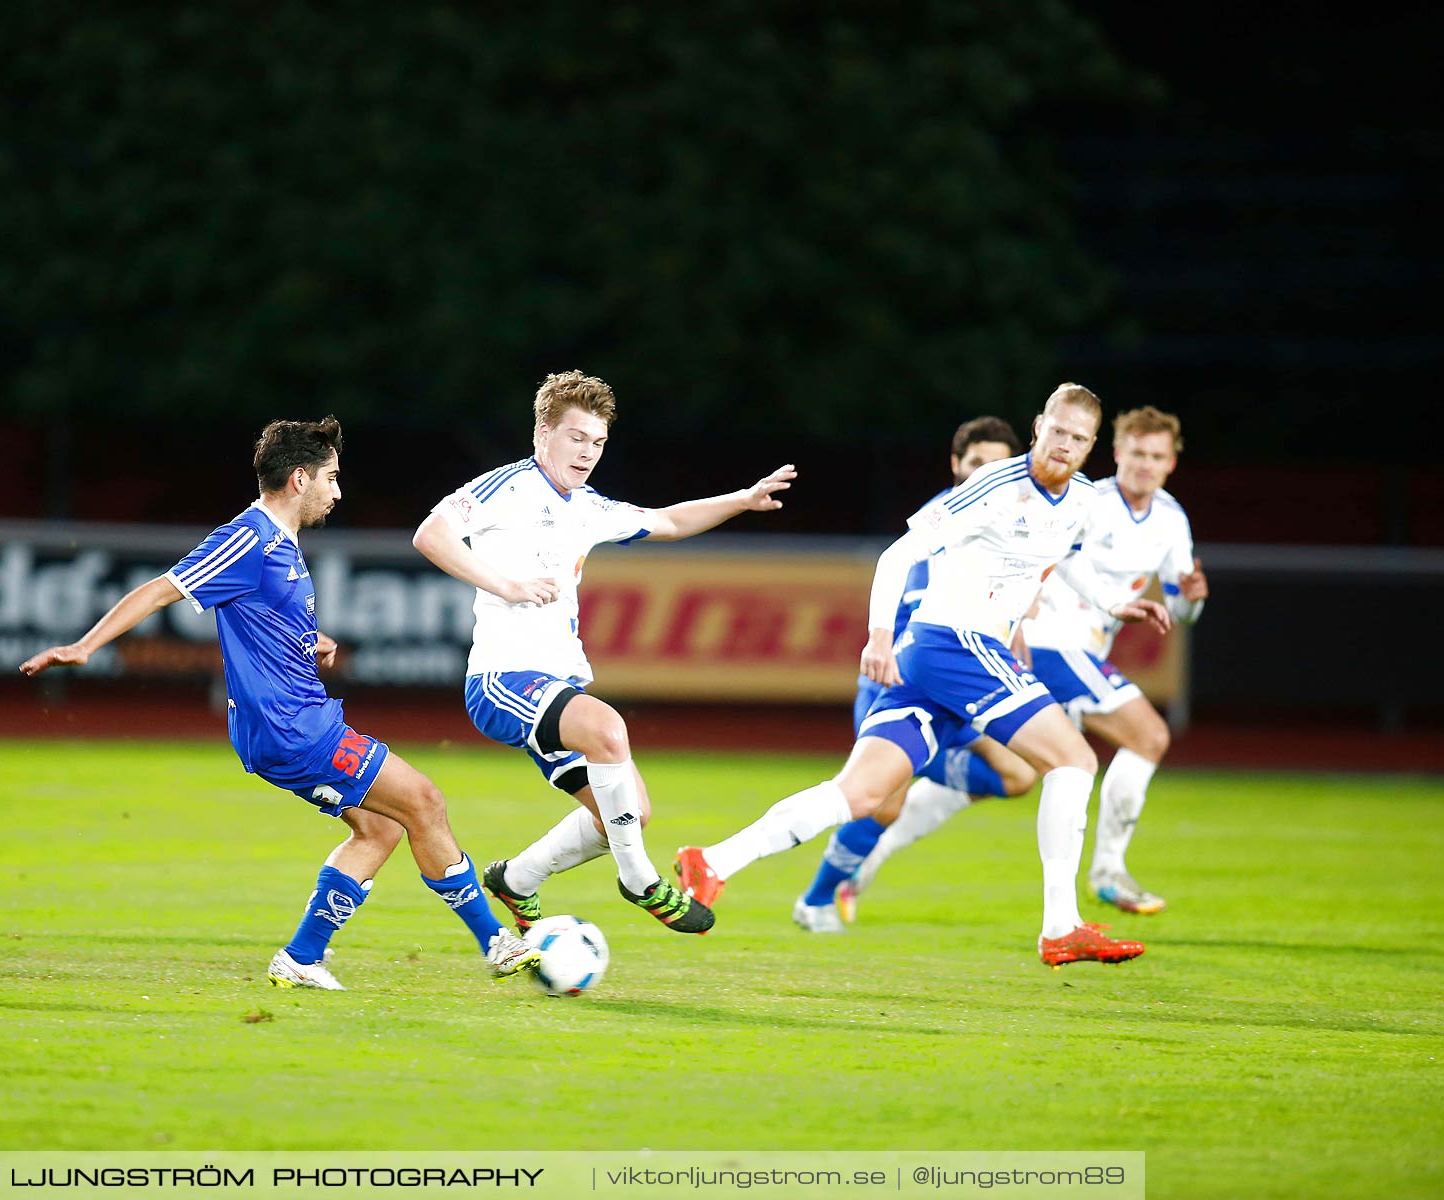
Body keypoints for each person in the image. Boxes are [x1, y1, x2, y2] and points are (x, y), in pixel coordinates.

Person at [21, 417, 539, 990]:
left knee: (381, 829)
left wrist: (308, 642)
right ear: (298, 479)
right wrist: (85, 646)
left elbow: (258, 618)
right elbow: (162, 588)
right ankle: (496, 942)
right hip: (292, 727)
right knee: (424, 801)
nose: (338, 492)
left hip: (292, 722)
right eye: (332, 478)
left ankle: (301, 957)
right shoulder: (249, 537)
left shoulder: (282, 545)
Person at [676, 383, 1170, 966]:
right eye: (1057, 430)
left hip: (942, 659)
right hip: (953, 644)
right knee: (1076, 759)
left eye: (1078, 438)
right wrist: (878, 637)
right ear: (1039, 426)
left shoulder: (1083, 500)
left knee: (859, 794)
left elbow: (1060, 556)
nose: (1064, 444)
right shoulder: (994, 485)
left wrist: (1109, 604)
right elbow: (897, 555)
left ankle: (712, 862)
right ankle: (1060, 926)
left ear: (1092, 448)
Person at [412, 370, 796, 936]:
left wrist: (741, 499)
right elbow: (431, 534)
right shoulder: (508, 487)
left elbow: (666, 521)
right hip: (503, 677)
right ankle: (638, 879)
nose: (587, 452)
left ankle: (516, 879)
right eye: (576, 437)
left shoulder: (586, 506)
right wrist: (507, 585)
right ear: (543, 433)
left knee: (628, 814)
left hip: (555, 682)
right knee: (609, 729)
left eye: (597, 442)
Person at [791, 416, 1037, 933]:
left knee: (1019, 775)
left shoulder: (1011, 528)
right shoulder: (940, 522)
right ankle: (813, 902)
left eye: (996, 465)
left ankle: (911, 767)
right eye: (975, 463)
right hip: (905, 681)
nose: (983, 474)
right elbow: (916, 599)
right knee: (881, 807)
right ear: (956, 465)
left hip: (962, 685)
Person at [1023, 405, 1206, 914]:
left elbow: (1182, 609)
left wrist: (1192, 596)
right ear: (1118, 453)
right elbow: (1045, 553)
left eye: (1157, 456)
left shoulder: (1171, 520)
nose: (1146, 464)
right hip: (1050, 642)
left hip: (1080, 651)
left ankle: (859, 855)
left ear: (1171, 463)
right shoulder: (1088, 500)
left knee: (1001, 776)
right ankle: (1107, 872)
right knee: (1149, 735)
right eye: (1137, 453)